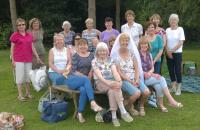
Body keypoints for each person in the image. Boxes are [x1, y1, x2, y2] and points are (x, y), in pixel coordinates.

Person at [48, 33, 102, 123]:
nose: (82, 47)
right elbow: (73, 71)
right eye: (80, 45)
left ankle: (79, 113)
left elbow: (94, 65)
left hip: (86, 82)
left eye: (84, 45)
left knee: (83, 90)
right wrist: (85, 76)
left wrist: (91, 72)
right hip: (73, 80)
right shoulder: (75, 56)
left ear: (87, 46)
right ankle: (92, 102)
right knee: (85, 80)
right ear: (77, 47)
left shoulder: (92, 55)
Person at [92, 42, 133, 127]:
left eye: (104, 50)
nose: (102, 52)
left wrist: (119, 81)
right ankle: (123, 111)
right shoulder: (94, 61)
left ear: (107, 51)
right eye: (100, 51)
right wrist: (109, 83)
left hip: (111, 83)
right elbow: (99, 76)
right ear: (97, 52)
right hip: (100, 83)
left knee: (112, 91)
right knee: (115, 87)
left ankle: (114, 117)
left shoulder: (111, 59)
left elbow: (114, 72)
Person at [138, 36, 183, 112]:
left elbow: (152, 68)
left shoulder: (149, 55)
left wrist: (150, 73)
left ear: (148, 45)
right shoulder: (137, 55)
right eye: (142, 44)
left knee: (158, 86)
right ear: (139, 45)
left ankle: (161, 105)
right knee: (161, 79)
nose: (144, 45)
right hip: (141, 79)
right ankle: (170, 100)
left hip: (149, 77)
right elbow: (137, 69)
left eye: (146, 44)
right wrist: (148, 74)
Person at [111, 33, 150, 116]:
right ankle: (128, 106)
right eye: (123, 41)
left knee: (146, 92)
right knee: (137, 93)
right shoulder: (116, 55)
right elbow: (118, 71)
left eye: (126, 41)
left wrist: (136, 79)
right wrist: (129, 80)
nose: (125, 43)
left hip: (134, 78)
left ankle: (141, 106)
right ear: (119, 42)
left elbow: (136, 68)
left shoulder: (131, 53)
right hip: (123, 80)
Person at [10, 18, 42, 101]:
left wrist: (37, 57)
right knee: (20, 77)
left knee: (28, 77)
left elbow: (32, 47)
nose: (21, 26)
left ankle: (27, 93)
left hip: (28, 59)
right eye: (19, 25)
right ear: (17, 26)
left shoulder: (29, 35)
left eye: (23, 24)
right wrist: (13, 60)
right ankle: (20, 95)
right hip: (18, 59)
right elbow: (12, 48)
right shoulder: (15, 35)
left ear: (25, 25)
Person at [166, 14, 185, 96]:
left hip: (177, 53)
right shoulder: (167, 30)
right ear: (169, 21)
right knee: (170, 70)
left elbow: (181, 42)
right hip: (168, 53)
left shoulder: (180, 29)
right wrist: (167, 51)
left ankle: (179, 87)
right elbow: (165, 42)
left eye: (174, 19)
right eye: (171, 20)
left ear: (177, 21)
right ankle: (173, 87)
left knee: (177, 70)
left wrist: (172, 51)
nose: (173, 21)